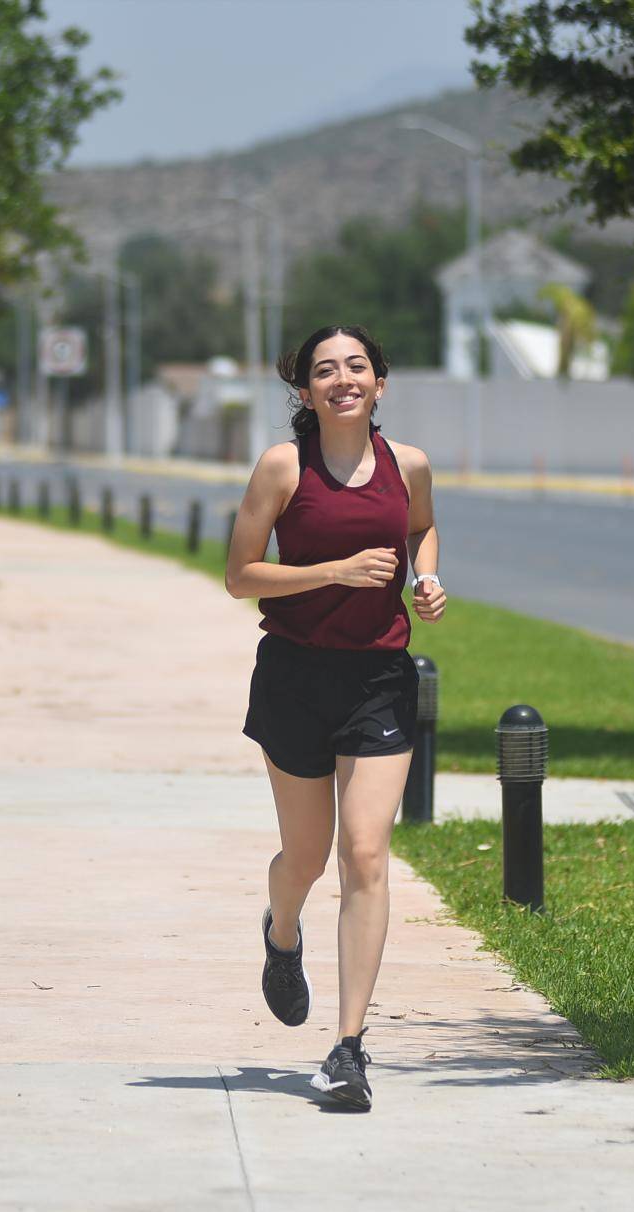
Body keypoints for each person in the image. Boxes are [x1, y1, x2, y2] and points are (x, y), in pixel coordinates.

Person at [224, 325, 445, 1110]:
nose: (343, 379)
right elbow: (239, 575)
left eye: (357, 367)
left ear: (380, 383)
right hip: (293, 676)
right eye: (326, 370)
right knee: (307, 857)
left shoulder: (408, 465)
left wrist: (426, 577)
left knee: (366, 852)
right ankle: (282, 929)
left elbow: (420, 528)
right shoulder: (284, 467)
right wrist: (334, 572)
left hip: (380, 677)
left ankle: (348, 1047)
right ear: (306, 390)